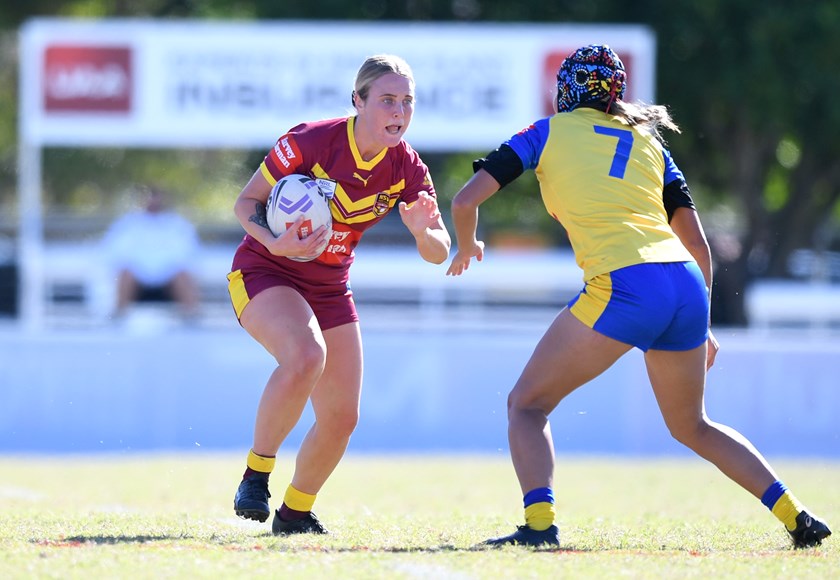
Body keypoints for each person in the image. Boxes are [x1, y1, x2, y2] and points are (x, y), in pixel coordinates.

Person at [446, 45, 831, 549]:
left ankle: (539, 528)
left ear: (566, 89)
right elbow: (696, 243)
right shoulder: (651, 144)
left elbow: (464, 198)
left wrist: (468, 240)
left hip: (626, 283)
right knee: (694, 425)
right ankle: (796, 516)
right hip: (686, 283)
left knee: (527, 405)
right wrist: (705, 323)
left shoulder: (546, 132)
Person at [227, 54, 451, 535]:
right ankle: (256, 474)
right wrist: (274, 239)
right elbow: (245, 203)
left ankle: (294, 514)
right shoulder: (312, 140)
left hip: (329, 286)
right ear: (358, 101)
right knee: (307, 356)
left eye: (407, 102)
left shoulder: (408, 168)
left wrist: (421, 234)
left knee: (342, 416)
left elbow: (439, 251)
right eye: (388, 100)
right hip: (266, 269)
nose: (399, 111)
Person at [102, 186, 201, 320]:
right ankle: (119, 316)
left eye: (156, 197)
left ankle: (191, 317)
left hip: (169, 278)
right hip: (137, 278)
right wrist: (142, 269)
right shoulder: (128, 223)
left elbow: (188, 253)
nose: (152, 201)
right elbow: (116, 252)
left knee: (182, 275)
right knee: (125, 273)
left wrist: (164, 270)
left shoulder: (177, 224)